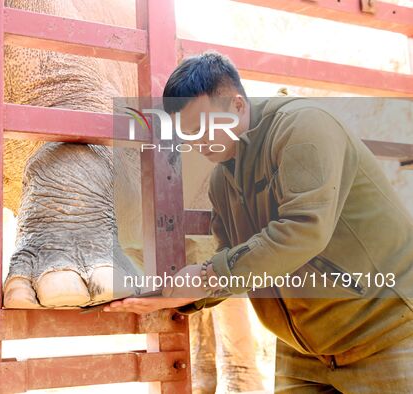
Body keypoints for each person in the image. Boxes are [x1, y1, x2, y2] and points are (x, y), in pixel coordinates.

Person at [104, 51, 413, 392]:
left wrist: (206, 276)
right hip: (303, 351)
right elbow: (235, 258)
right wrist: (178, 296)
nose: (196, 142)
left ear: (237, 105)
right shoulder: (222, 180)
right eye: (187, 133)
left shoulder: (304, 126)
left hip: (386, 333)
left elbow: (303, 229)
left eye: (204, 127)